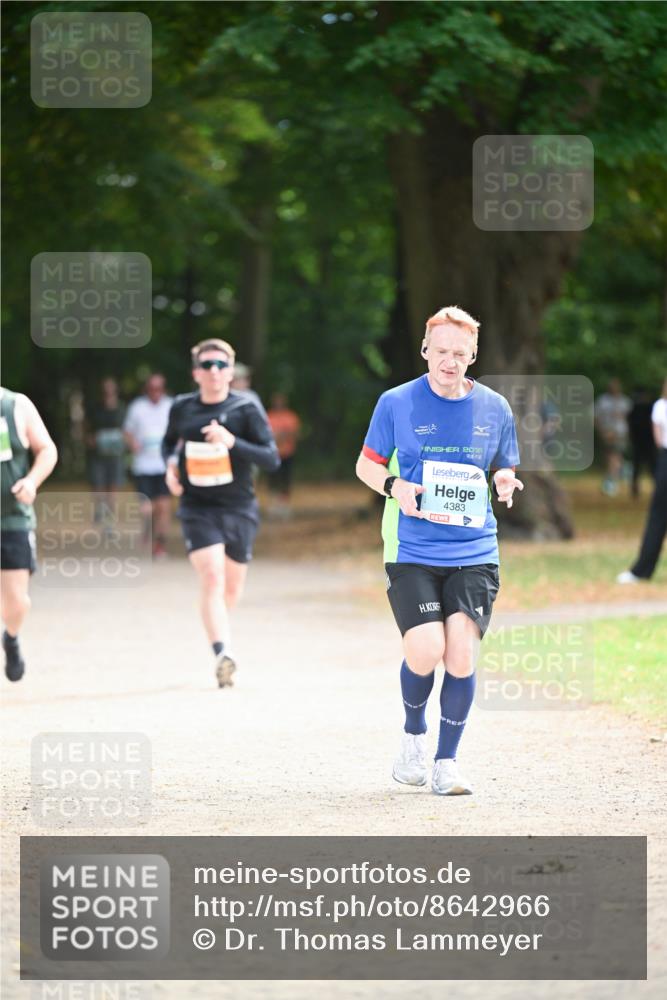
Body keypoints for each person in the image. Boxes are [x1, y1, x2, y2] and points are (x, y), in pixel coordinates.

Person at [355, 306, 522, 796]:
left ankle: (447, 762)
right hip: (413, 548)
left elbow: (503, 466)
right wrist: (393, 486)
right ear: (425, 350)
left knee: (461, 654)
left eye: (460, 354)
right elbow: (365, 466)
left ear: (473, 356)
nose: (450, 362)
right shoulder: (396, 402)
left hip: (474, 548)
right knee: (426, 650)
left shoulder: (494, 407)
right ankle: (413, 737)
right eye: (441, 351)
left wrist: (507, 480)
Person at [162, 339, 280, 687]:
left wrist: (231, 442)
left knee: (230, 587)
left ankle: (219, 630)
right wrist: (171, 466)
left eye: (220, 365)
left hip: (239, 506)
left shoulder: (246, 408)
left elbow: (271, 458)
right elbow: (169, 443)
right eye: (207, 365)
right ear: (196, 372)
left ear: (230, 371)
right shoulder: (182, 407)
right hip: (198, 507)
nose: (214, 371)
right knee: (211, 577)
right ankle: (222, 651)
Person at [1, 387, 57, 681]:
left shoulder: (15, 405)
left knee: (17, 602)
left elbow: (47, 449)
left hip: (11, 520)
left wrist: (32, 481)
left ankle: (10, 637)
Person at [617, 377, 667, 584]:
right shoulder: (660, 406)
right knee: (658, 515)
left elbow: (658, 439)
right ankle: (641, 570)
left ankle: (641, 570)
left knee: (658, 516)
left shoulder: (660, 406)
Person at [124, 373, 173, 558]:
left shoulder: (171, 405)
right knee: (147, 509)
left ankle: (160, 545)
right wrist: (133, 443)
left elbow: (179, 432)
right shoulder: (137, 407)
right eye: (152, 389)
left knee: (164, 508)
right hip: (143, 466)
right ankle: (147, 533)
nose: (155, 392)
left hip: (164, 465)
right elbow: (127, 431)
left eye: (159, 388)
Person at [86, 377, 126, 523]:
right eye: (105, 389)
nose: (108, 392)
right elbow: (87, 428)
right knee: (98, 486)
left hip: (115, 454)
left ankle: (110, 516)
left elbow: (127, 430)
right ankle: (99, 509)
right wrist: (89, 439)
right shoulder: (95, 408)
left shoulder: (122, 408)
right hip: (97, 453)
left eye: (111, 389)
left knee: (113, 488)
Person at [594, 378, 631, 497]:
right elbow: (596, 418)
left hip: (621, 434)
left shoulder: (625, 401)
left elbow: (630, 419)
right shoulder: (602, 401)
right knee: (611, 458)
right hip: (607, 434)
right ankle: (616, 477)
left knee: (614, 457)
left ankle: (611, 483)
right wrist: (603, 432)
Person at [267, 392, 301, 506]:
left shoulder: (291, 417)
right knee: (273, 479)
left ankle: (285, 503)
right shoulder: (268, 416)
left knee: (286, 479)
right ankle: (274, 502)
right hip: (273, 453)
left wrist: (282, 435)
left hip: (287, 453)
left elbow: (296, 433)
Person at [628, 385, 656, 499]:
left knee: (639, 467)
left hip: (641, 442)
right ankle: (657, 488)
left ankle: (636, 490)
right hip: (646, 442)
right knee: (650, 467)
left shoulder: (635, 408)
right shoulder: (649, 407)